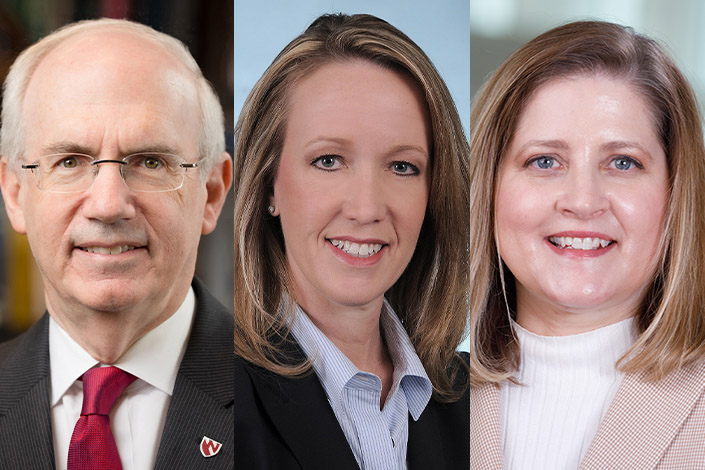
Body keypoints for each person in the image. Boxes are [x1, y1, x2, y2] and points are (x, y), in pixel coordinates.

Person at [233, 13, 470, 470]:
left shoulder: (478, 405)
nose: (366, 208)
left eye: (402, 167)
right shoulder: (219, 396)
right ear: (268, 186)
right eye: (328, 160)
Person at [470, 20, 705, 469]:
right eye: (544, 160)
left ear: (676, 194)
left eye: (623, 162)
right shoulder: (417, 398)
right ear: (490, 189)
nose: (583, 201)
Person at [0, 19, 233, 469]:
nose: (108, 205)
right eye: (69, 161)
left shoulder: (288, 397)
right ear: (14, 192)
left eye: (150, 161)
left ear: (213, 193)